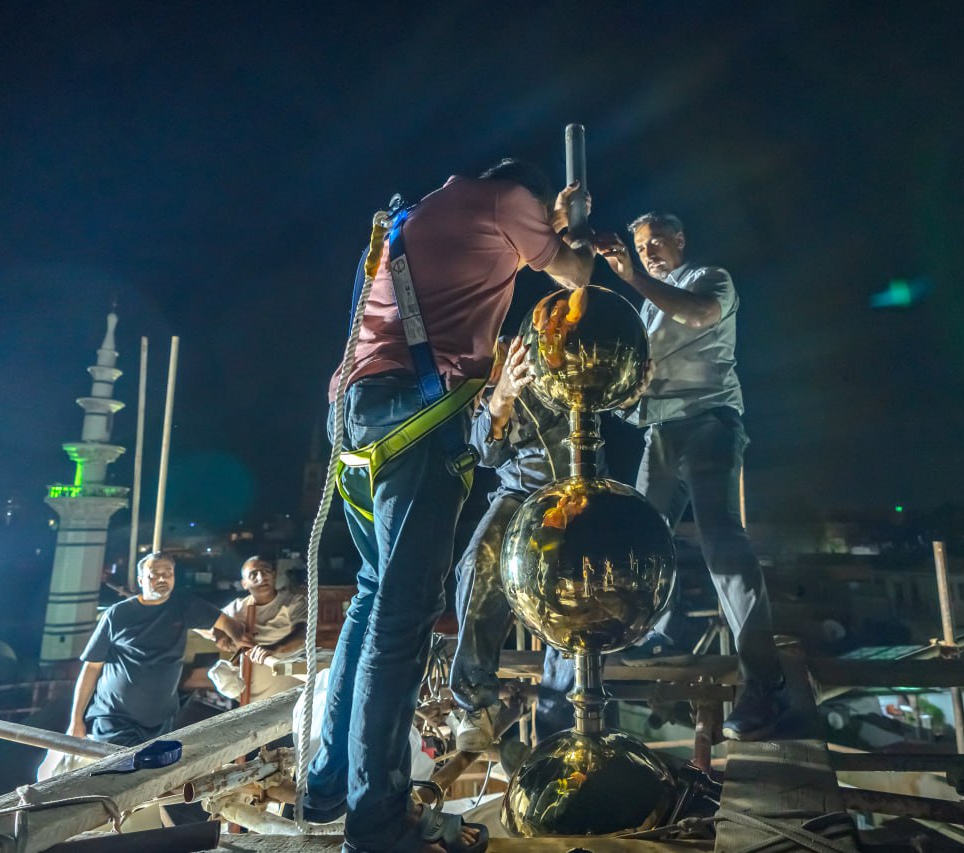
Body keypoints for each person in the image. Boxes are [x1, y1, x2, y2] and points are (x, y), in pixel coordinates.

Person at [303, 159, 593, 853]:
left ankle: (329, 782)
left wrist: (547, 224)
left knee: (373, 595)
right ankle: (377, 822)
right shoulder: (507, 199)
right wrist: (570, 226)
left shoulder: (424, 210)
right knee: (403, 617)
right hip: (419, 420)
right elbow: (577, 274)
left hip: (357, 416)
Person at [594, 212, 787, 742]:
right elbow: (641, 372)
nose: (649, 252)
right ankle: (662, 631)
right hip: (662, 431)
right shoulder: (647, 307)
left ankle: (764, 684)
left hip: (708, 421)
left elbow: (700, 315)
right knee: (642, 536)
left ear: (680, 240)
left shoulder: (710, 279)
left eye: (657, 242)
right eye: (641, 247)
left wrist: (633, 276)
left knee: (719, 537)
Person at [447, 336, 579, 753]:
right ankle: (476, 703)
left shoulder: (543, 346)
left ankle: (557, 730)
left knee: (573, 591)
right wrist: (500, 396)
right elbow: (482, 451)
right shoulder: (469, 383)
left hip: (579, 491)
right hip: (520, 493)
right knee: (479, 562)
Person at [66, 552, 252, 747]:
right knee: (119, 765)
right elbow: (92, 667)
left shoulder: (183, 606)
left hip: (160, 721)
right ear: (141, 580)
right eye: (154, 574)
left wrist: (239, 638)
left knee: (155, 767)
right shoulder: (118, 615)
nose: (162, 578)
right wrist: (76, 720)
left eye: (168, 573)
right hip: (115, 718)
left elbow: (226, 622)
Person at [214, 556, 307, 703]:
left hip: (291, 696)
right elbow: (215, 621)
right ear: (244, 584)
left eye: (266, 571)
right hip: (252, 700)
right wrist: (225, 641)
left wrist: (274, 649)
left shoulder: (294, 602)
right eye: (253, 574)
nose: (261, 577)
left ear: (274, 575)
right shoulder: (237, 608)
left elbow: (302, 633)